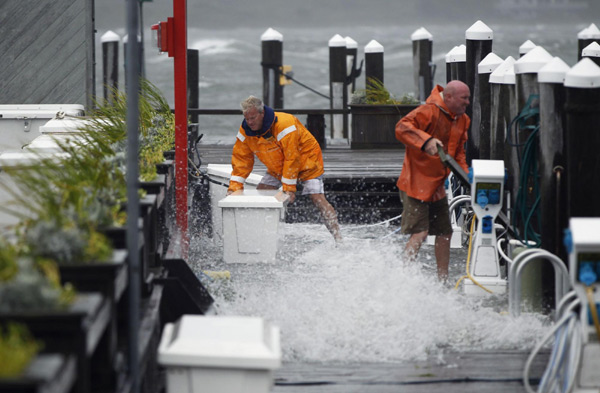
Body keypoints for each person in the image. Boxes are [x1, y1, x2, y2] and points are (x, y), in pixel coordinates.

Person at [227, 95, 342, 243]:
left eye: (253, 118)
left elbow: (292, 158)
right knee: (262, 193)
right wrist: (234, 187)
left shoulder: (285, 124)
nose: (249, 122)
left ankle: (338, 238)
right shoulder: (245, 131)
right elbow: (241, 160)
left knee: (317, 198)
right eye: (246, 119)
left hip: (307, 162)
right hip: (278, 166)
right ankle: (265, 238)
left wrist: (289, 188)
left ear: (262, 113)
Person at [395, 80, 470, 281]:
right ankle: (403, 277)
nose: (468, 103)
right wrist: (425, 141)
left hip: (437, 185)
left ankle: (442, 280)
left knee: (445, 232)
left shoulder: (463, 120)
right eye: (464, 98)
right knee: (421, 232)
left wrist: (467, 176)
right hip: (415, 183)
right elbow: (402, 128)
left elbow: (460, 152)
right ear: (449, 97)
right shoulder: (427, 111)